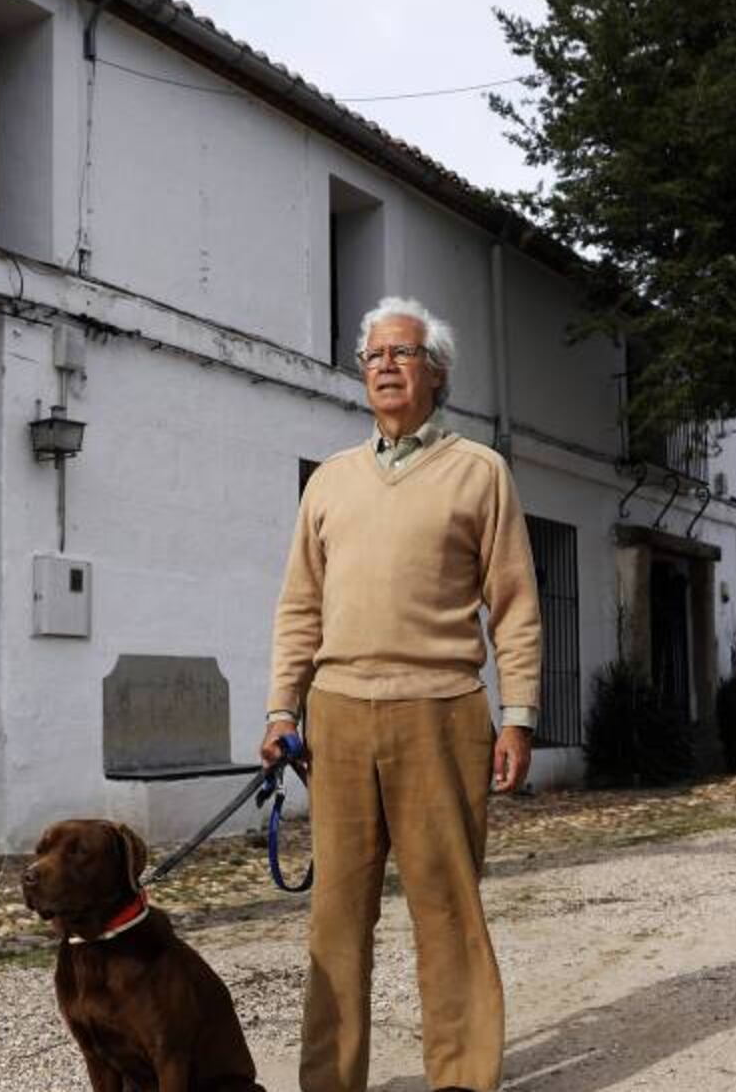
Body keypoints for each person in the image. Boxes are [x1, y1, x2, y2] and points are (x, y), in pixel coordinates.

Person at [262, 296, 543, 1092]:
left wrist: (517, 715)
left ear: (436, 373)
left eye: (403, 353)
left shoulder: (479, 471)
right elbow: (299, 607)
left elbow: (516, 603)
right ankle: (331, 1082)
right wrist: (283, 708)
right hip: (339, 716)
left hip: (442, 709)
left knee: (447, 913)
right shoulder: (329, 483)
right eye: (375, 355)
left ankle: (460, 1079)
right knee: (337, 920)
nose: (385, 365)